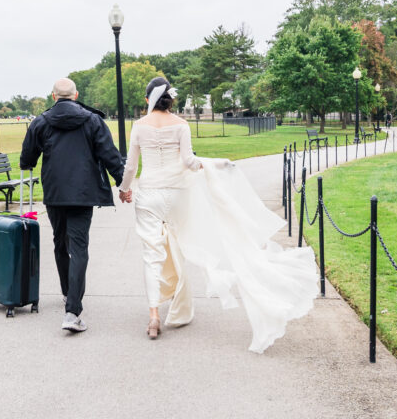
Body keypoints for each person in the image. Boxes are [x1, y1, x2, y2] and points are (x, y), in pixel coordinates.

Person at [118, 77, 317, 352]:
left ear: (147, 99)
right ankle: (177, 300)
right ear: (171, 99)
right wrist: (217, 165)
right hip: (177, 195)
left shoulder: (139, 126)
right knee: (178, 245)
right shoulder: (181, 124)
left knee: (152, 255)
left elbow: (130, 166)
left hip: (149, 194)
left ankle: (154, 315)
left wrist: (124, 189)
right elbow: (189, 162)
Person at [20, 78, 125, 334]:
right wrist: (123, 183)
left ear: (54, 96)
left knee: (60, 243)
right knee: (79, 247)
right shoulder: (92, 120)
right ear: (75, 95)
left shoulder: (41, 121)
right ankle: (73, 310)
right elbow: (109, 154)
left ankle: (69, 294)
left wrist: (33, 157)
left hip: (56, 192)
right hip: (82, 192)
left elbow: (27, 159)